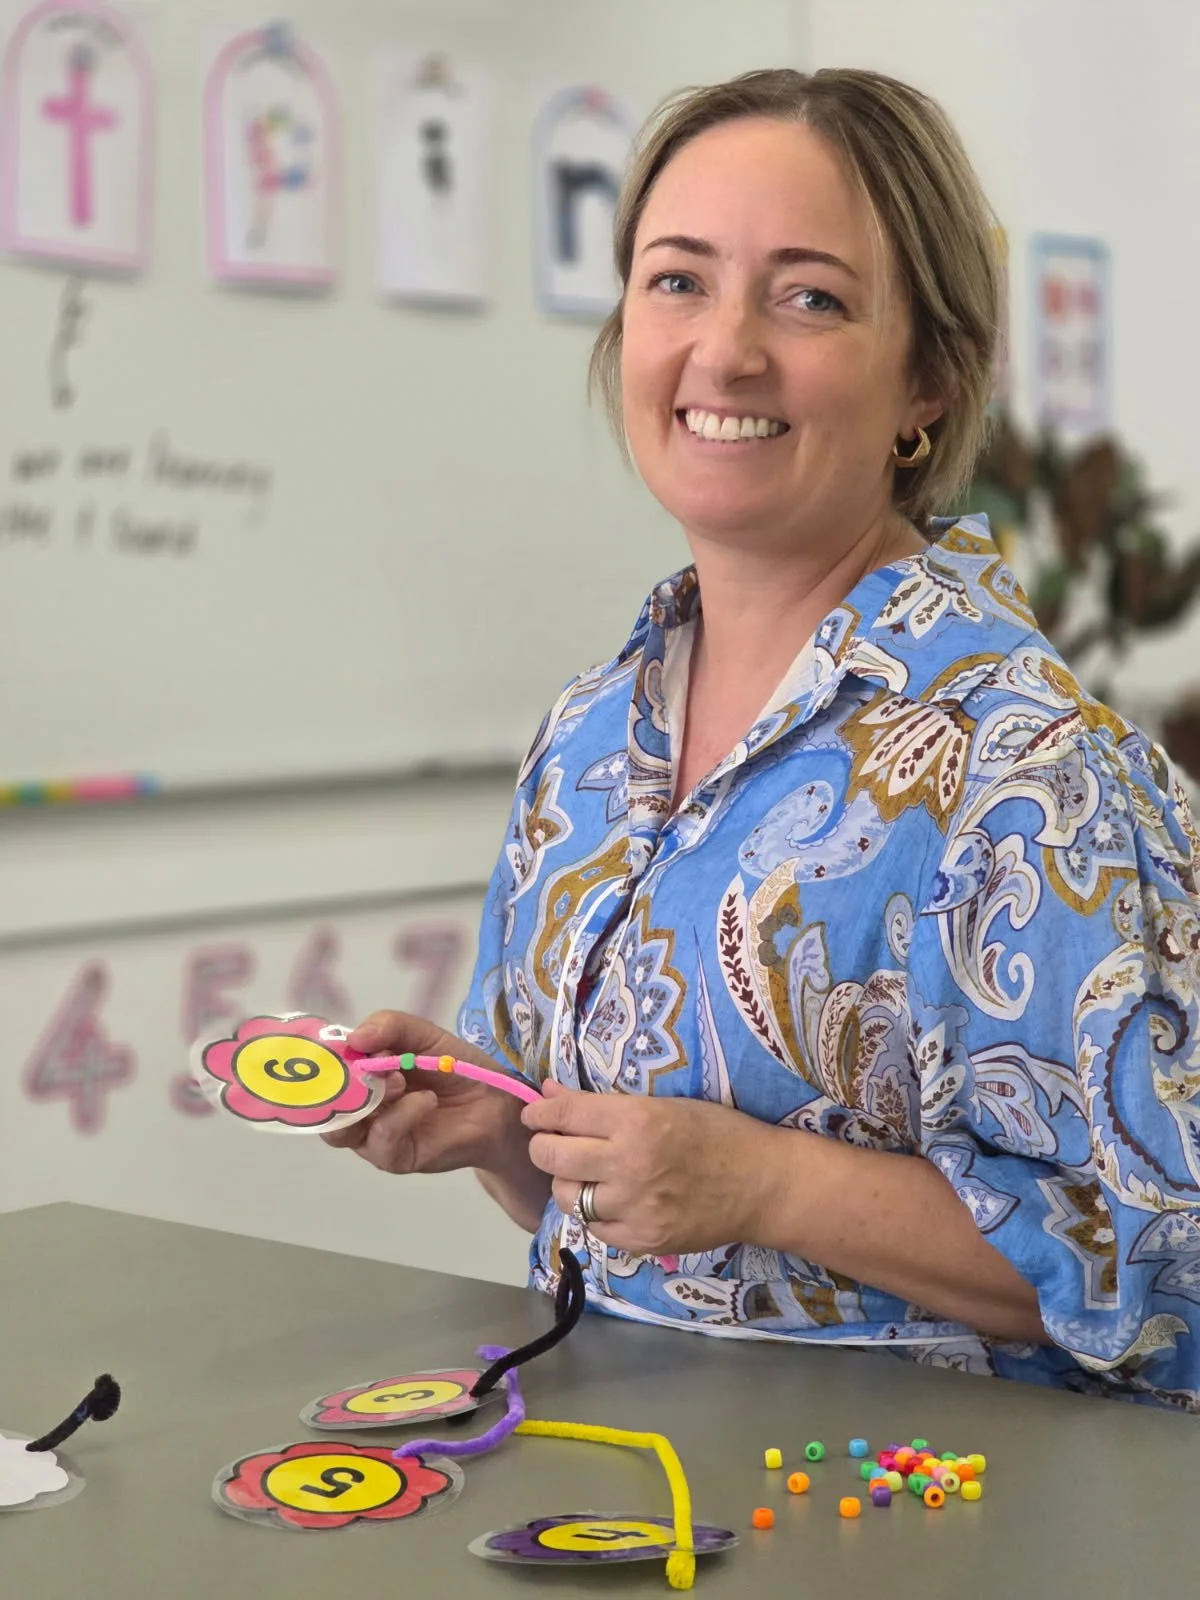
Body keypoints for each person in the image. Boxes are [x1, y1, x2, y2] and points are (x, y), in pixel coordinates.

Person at [326, 68, 1200, 1409]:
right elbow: (637, 1234)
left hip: (940, 1529)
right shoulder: (588, 738)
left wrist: (769, 1180)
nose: (724, 351)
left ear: (930, 383)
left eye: (809, 297)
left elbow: (1156, 1262)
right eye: (678, 281)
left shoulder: (1027, 767)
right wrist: (510, 1133)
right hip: (632, 1480)